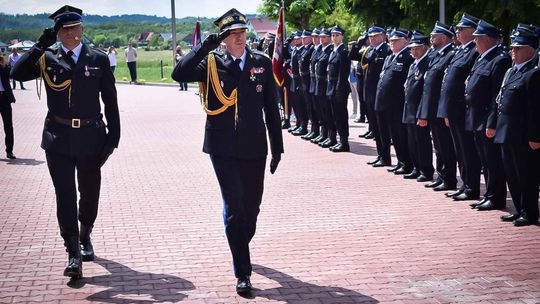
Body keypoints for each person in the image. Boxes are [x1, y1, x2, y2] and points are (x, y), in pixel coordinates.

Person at [171, 8, 284, 294]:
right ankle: (243, 272)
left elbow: (271, 107)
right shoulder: (211, 63)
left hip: (254, 146)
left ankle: (239, 243)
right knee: (235, 208)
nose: (240, 38)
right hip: (222, 147)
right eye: (233, 34)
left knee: (252, 208)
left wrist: (277, 148)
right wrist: (203, 47)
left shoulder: (259, 61)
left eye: (243, 33)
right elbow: (178, 73)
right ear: (223, 38)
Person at [10, 5, 121, 279]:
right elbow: (18, 73)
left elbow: (110, 100)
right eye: (65, 30)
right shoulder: (48, 58)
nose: (72, 34)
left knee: (90, 194)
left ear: (82, 29)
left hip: (91, 137)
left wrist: (113, 138)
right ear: (58, 33)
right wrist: (39, 45)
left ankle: (85, 234)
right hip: (58, 138)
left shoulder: (98, 58)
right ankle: (72, 251)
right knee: (65, 196)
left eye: (76, 28)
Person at [491, 26, 540, 226]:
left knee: (526, 176)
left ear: (531, 50)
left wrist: (535, 136)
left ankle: (529, 213)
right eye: (513, 48)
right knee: (511, 173)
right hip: (506, 132)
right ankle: (519, 209)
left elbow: (535, 110)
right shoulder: (511, 72)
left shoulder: (534, 74)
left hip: (522, 135)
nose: (514, 51)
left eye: (519, 48)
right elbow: (501, 100)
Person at [465, 20, 511, 211]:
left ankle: (496, 197)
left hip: (486, 120)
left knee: (493, 162)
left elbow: (495, 96)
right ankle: (489, 195)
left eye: (478, 38)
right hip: (476, 118)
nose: (474, 41)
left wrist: (491, 123)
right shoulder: (481, 58)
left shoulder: (499, 60)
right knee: (485, 161)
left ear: (488, 39)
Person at [437, 14, 481, 201]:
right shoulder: (460, 51)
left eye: (462, 29)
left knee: (468, 151)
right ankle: (465, 185)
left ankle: (471, 187)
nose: (457, 32)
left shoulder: (474, 51)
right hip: (453, 110)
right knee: (460, 150)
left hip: (463, 110)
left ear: (473, 32)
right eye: (457, 29)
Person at [417, 22, 457, 190]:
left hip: (441, 108)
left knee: (446, 147)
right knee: (439, 146)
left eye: (434, 35)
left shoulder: (450, 55)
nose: (431, 37)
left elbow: (446, 86)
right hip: (432, 108)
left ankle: (449, 179)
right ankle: (441, 176)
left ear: (443, 37)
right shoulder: (435, 55)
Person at [374, 28, 413, 172]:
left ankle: (406, 162)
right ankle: (399, 162)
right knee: (390, 134)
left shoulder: (407, 58)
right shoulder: (390, 57)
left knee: (399, 134)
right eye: (391, 40)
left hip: (397, 103)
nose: (392, 43)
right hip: (384, 102)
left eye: (395, 41)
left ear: (404, 42)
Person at [402, 31, 434, 181]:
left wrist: (423, 113)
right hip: (409, 108)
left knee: (422, 142)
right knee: (412, 141)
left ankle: (425, 170)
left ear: (425, 48)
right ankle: (416, 167)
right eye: (412, 49)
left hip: (418, 109)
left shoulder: (426, 64)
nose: (414, 51)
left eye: (417, 48)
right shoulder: (413, 65)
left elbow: (425, 92)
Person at [326, 25, 351, 152]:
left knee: (341, 116)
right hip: (331, 88)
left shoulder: (343, 52)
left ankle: (344, 142)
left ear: (342, 37)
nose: (334, 38)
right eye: (333, 35)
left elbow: (343, 73)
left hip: (339, 89)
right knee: (335, 116)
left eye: (337, 35)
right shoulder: (333, 51)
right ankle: (339, 140)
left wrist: (338, 90)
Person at [0, 55, 16, 159]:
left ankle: (9, 151)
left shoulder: (4, 67)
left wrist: (5, 64)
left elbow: (13, 73)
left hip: (4, 98)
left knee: (8, 126)